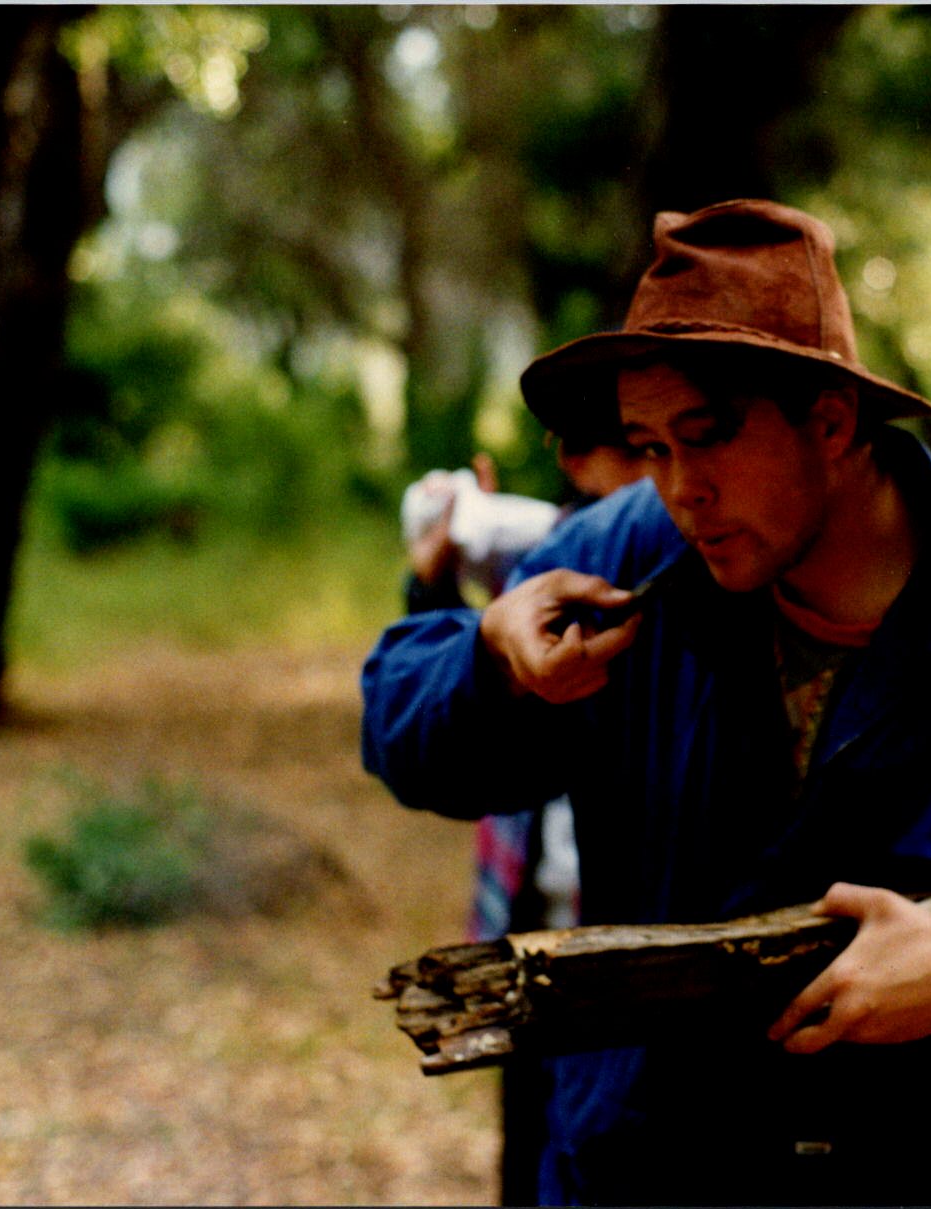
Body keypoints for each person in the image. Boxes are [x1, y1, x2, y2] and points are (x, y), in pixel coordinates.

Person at [362, 198, 931, 1205]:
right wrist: (491, 662)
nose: (679, 489)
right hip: (643, 1175)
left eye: (708, 436)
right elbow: (401, 732)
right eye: (649, 446)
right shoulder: (624, 557)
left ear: (830, 421)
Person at [396, 440, 643, 1205]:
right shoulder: (556, 556)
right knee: (533, 1141)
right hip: (537, 928)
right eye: (642, 445)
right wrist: (435, 578)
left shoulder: (698, 568)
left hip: (633, 953)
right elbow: (450, 704)